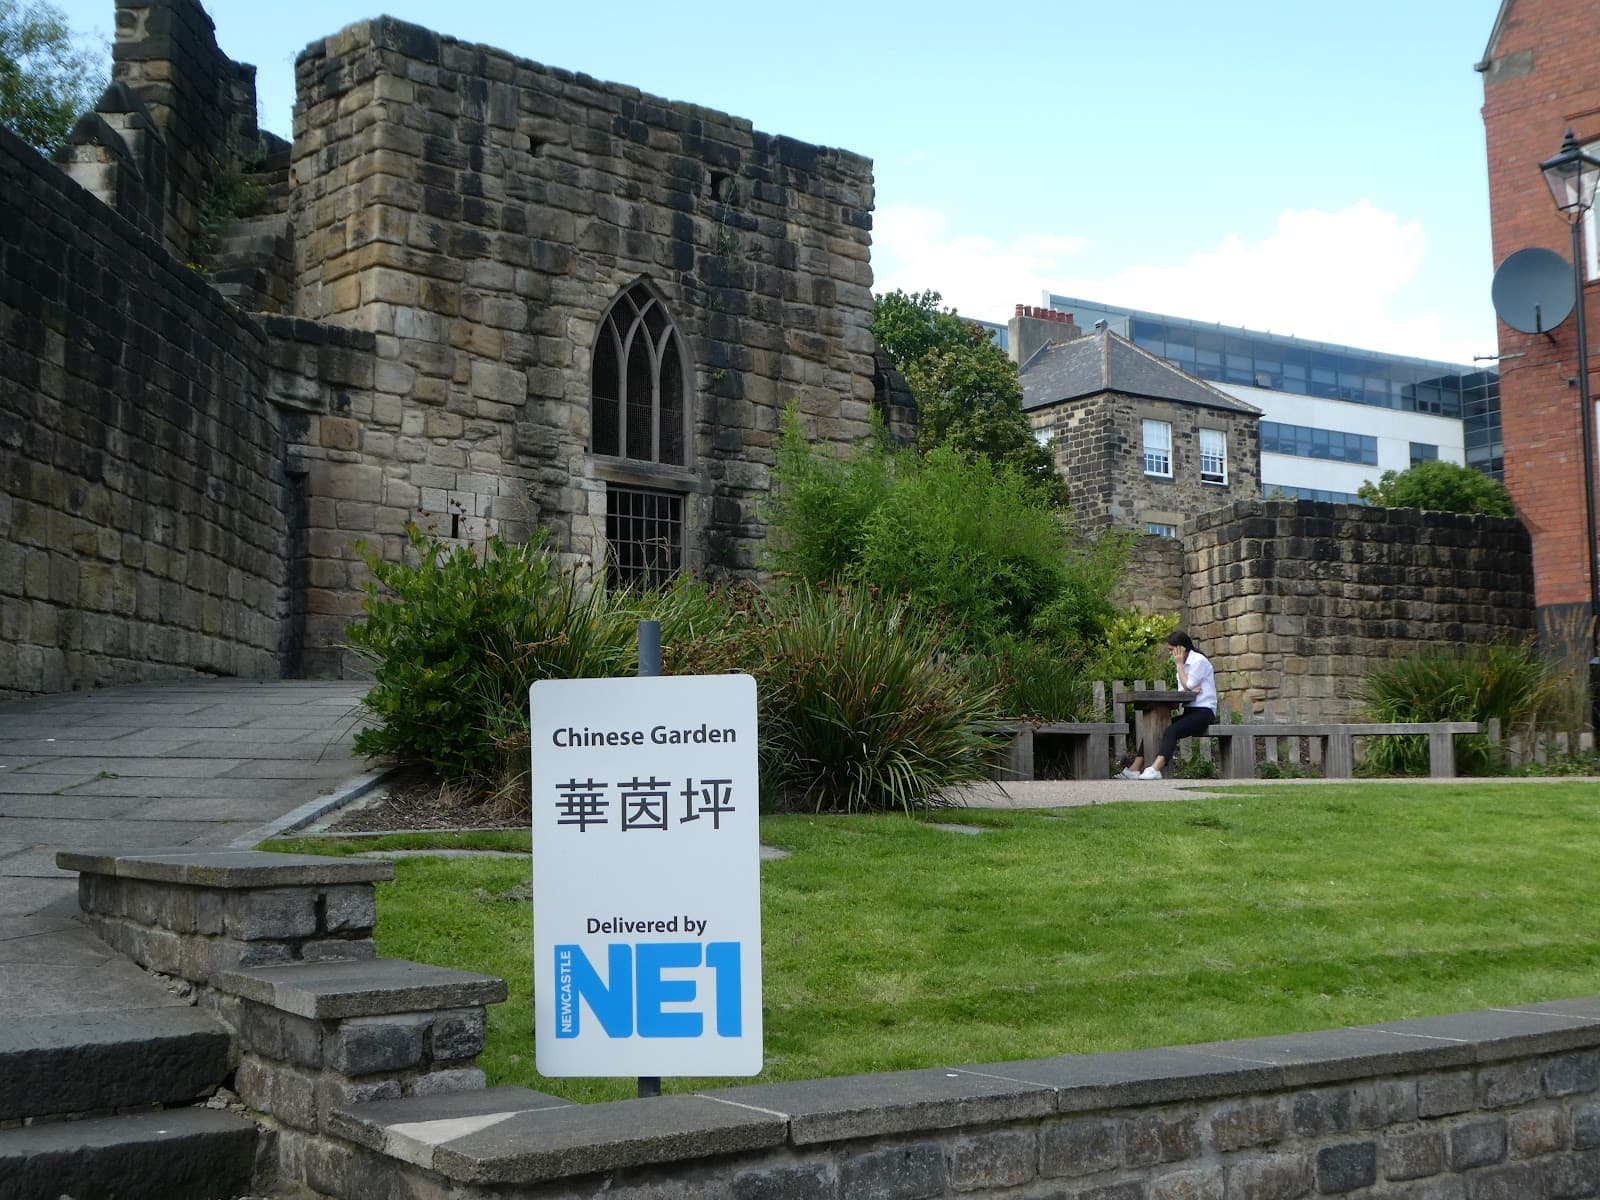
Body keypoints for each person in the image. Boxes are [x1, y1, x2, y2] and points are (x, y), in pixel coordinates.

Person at [1116, 631, 1218, 780]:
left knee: (1172, 731)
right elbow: (1184, 690)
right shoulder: (1182, 665)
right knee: (1155, 728)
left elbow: (1188, 685)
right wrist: (1188, 685)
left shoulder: (1198, 661)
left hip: (1204, 712)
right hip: (1190, 711)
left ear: (1181, 648)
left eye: (1172, 650)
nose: (1170, 654)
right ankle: (1134, 769)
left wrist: (1180, 667)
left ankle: (1156, 769)